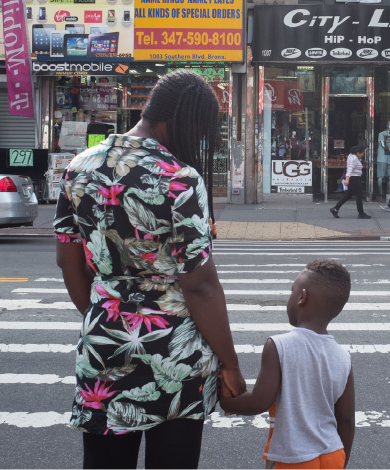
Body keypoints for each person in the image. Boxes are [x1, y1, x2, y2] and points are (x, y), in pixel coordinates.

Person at [54, 70, 246, 469]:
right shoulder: (180, 179)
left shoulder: (80, 168)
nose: (200, 141)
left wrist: (109, 315)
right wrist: (231, 363)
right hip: (175, 353)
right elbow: (201, 288)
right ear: (179, 120)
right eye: (199, 130)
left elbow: (68, 262)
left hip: (104, 342)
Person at [219, 259, 355, 469]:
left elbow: (259, 402)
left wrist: (224, 401)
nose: (289, 297)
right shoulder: (343, 357)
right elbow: (346, 421)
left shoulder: (279, 346)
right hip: (333, 455)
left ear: (302, 297)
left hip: (293, 458)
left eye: (292, 291)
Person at [330, 145, 371, 219]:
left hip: (353, 178)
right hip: (354, 178)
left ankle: (335, 209)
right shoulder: (354, 159)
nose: (363, 154)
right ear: (358, 153)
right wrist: (347, 179)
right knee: (359, 195)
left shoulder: (352, 157)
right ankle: (361, 213)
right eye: (362, 153)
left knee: (348, 195)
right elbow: (350, 169)